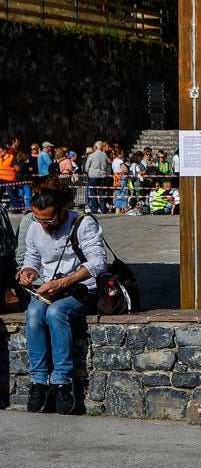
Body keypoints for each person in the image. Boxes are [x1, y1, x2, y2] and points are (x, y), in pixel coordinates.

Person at [17, 184, 106, 415]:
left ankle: (63, 381)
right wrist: (28, 271)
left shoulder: (83, 223)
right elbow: (32, 258)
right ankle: (39, 381)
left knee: (56, 313)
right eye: (38, 219)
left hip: (81, 289)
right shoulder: (35, 228)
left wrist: (63, 282)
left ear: (63, 210)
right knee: (34, 314)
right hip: (49, 290)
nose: (43, 224)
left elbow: (97, 262)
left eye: (48, 219)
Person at [84, 141, 111, 214]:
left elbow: (86, 167)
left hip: (93, 175)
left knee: (93, 193)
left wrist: (88, 172)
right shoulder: (105, 156)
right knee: (102, 193)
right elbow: (108, 168)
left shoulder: (92, 156)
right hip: (102, 175)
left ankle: (94, 209)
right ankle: (103, 208)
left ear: (95, 147)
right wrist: (107, 175)